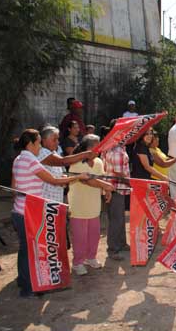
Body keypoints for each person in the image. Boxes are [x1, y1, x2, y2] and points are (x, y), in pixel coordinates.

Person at [11, 129, 88, 297]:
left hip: (20, 210)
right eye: (38, 143)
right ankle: (28, 288)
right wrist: (77, 177)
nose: (40, 147)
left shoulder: (19, 159)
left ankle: (24, 281)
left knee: (25, 249)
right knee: (29, 250)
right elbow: (53, 180)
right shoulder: (30, 159)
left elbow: (14, 188)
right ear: (30, 144)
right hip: (27, 213)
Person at [68, 135, 114, 275]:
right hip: (79, 205)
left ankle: (91, 257)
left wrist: (106, 190)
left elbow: (101, 178)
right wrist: (105, 185)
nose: (98, 150)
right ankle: (78, 262)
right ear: (86, 148)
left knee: (94, 234)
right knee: (80, 236)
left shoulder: (99, 162)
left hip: (94, 204)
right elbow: (86, 181)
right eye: (96, 147)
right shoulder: (76, 162)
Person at [38, 126, 96, 203]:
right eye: (54, 140)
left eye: (58, 139)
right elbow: (63, 161)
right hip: (46, 199)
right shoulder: (41, 152)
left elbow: (62, 169)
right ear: (44, 141)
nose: (57, 142)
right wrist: (85, 154)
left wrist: (63, 177)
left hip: (55, 199)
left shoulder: (53, 152)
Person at [102, 121, 131, 260]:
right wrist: (132, 183)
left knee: (118, 217)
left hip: (113, 186)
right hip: (116, 187)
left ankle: (121, 243)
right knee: (117, 219)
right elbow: (119, 173)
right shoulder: (116, 149)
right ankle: (113, 248)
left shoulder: (111, 146)